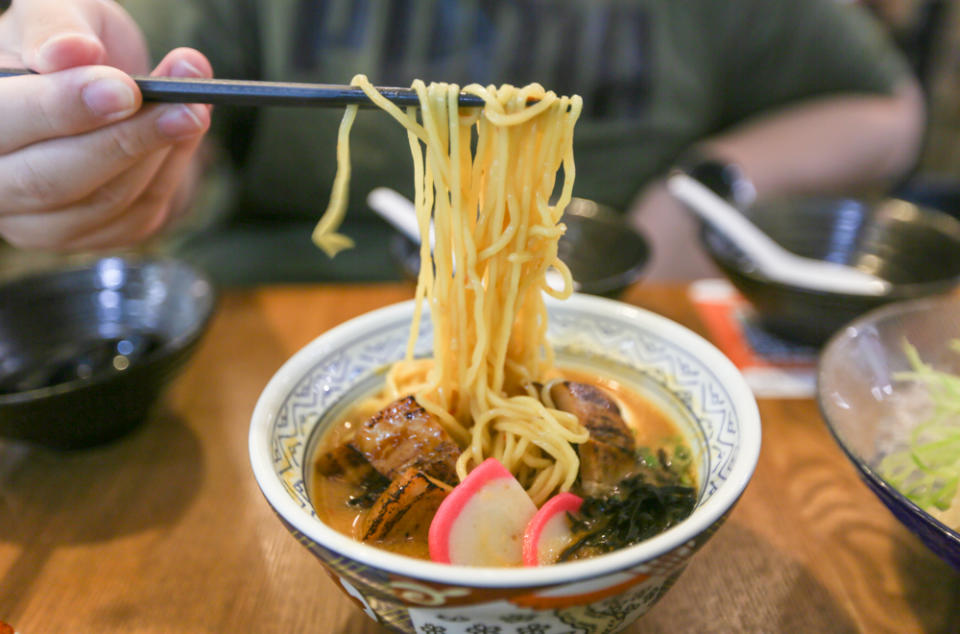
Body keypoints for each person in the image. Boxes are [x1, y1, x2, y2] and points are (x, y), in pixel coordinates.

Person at [0, 0, 925, 285]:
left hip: (605, 316)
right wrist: (114, 162)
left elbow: (888, 105)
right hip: (262, 331)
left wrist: (707, 188)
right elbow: (168, 128)